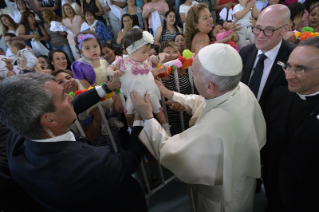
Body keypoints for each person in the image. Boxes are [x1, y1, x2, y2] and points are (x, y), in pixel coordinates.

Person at [132, 43, 266, 211]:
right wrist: (171, 95)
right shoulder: (240, 89)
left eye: (193, 73)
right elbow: (207, 102)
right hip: (242, 181)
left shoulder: (214, 127)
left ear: (209, 86)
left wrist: (148, 117)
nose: (192, 75)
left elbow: (169, 150)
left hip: (219, 199)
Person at [0, 73, 148, 212]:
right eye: (63, 97)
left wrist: (107, 88)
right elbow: (131, 159)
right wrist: (139, 120)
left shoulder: (18, 137)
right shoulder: (90, 164)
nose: (70, 98)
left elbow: (71, 107)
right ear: (49, 120)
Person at [262, 37, 319, 211]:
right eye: (288, 67)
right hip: (274, 193)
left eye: (300, 69)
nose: (288, 76)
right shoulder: (279, 96)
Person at [106, 28, 171, 133]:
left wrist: (160, 59)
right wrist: (113, 73)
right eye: (144, 52)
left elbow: (153, 62)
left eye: (147, 51)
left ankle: (166, 127)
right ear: (131, 52)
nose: (147, 55)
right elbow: (109, 68)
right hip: (134, 94)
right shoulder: (122, 61)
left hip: (149, 91)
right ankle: (133, 130)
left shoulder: (145, 60)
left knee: (158, 111)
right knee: (128, 114)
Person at [240, 4, 295, 112]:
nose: (260, 35)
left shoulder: (294, 58)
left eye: (269, 29)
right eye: (258, 28)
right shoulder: (245, 52)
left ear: (284, 30)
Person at [158, 41, 192, 135]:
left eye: (175, 51)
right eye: (168, 53)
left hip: (189, 111)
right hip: (171, 116)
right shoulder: (160, 76)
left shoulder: (187, 68)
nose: (173, 55)